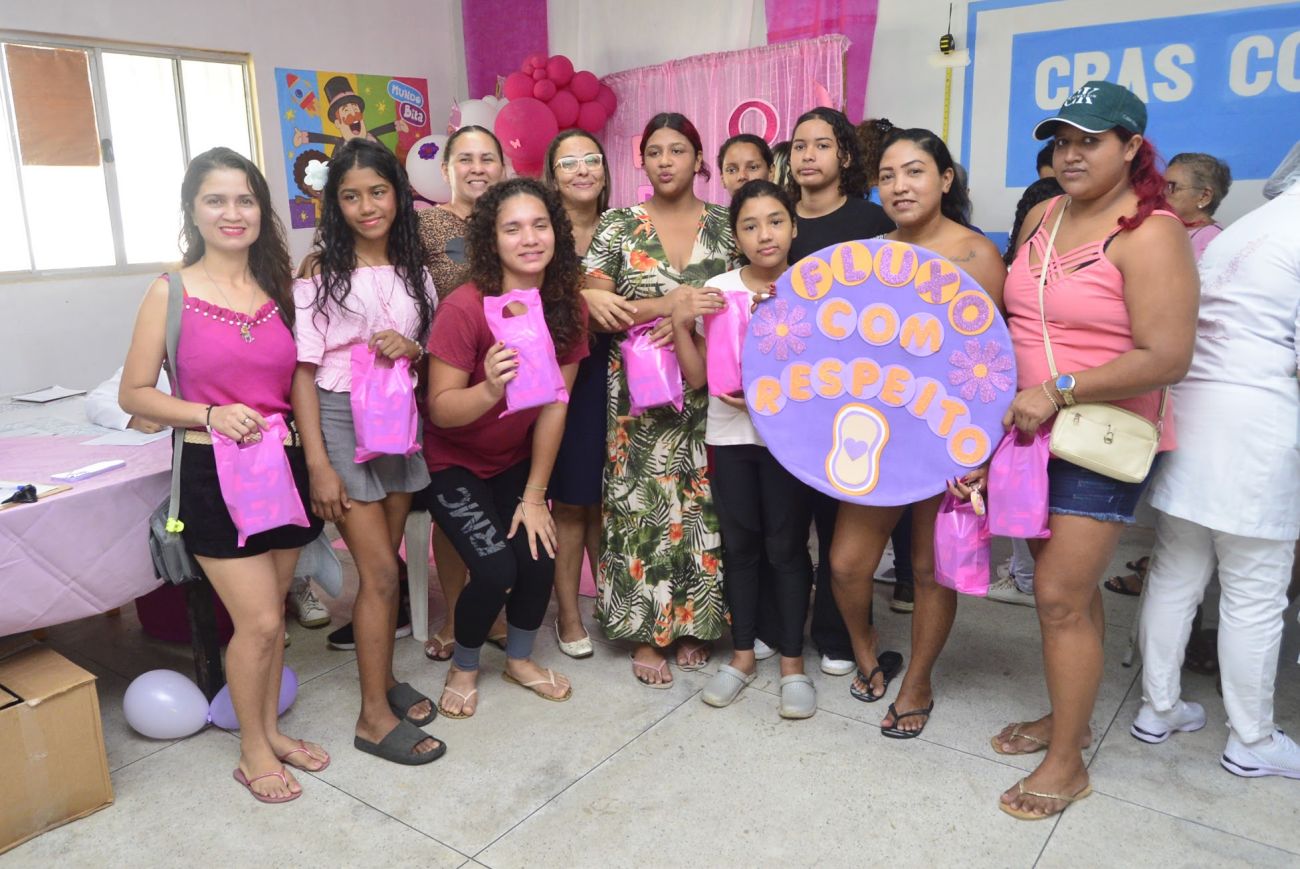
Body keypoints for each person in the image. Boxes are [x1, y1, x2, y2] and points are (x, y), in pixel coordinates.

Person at [975, 81, 1197, 820]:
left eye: (1090, 141)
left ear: (1131, 147)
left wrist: (1058, 388)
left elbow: (1168, 356)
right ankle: (1066, 718)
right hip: (1031, 433)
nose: (1071, 154)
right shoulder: (1045, 214)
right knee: (1069, 593)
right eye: (1063, 141)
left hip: (1102, 437)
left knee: (1058, 597)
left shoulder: (1152, 232)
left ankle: (1067, 763)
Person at [119, 147, 326, 802]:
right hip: (211, 472)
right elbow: (134, 394)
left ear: (261, 211)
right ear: (193, 210)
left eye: (244, 200)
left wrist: (316, 458)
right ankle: (251, 749)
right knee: (258, 620)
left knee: (275, 619)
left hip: (282, 467)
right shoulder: (170, 291)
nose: (232, 213)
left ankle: (270, 732)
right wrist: (208, 414)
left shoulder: (282, 291)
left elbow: (300, 384)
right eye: (215, 199)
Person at [829, 128, 1005, 737]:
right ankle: (867, 649)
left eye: (914, 172)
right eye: (887, 175)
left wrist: (980, 451)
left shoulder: (976, 255)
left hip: (946, 436)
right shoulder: (867, 254)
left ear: (945, 179)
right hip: (876, 435)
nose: (899, 186)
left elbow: (991, 365)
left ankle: (918, 682)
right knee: (847, 564)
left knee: (931, 569)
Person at [1133, 149, 1300, 778]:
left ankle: (1158, 708)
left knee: (1176, 571)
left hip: (1194, 413)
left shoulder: (1255, 224)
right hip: (1256, 427)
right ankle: (1252, 739)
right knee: (1254, 591)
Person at [291, 138, 443, 765]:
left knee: (393, 567)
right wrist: (318, 465)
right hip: (341, 420)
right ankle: (372, 717)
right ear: (336, 204)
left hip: (397, 421)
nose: (367, 206)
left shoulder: (416, 271)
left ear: (398, 195)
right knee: (378, 573)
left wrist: (414, 349)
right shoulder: (319, 275)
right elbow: (303, 374)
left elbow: (424, 348)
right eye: (351, 196)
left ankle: (384, 680)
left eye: (377, 192)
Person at [425, 177, 588, 718]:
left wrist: (535, 495)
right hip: (453, 462)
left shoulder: (566, 307)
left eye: (540, 225)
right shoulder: (465, 307)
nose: (529, 238)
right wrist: (491, 388)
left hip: (513, 461)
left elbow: (556, 404)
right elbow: (441, 410)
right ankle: (464, 665)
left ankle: (519, 660)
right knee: (496, 570)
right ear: (491, 240)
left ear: (556, 232)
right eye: (512, 228)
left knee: (539, 556)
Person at [584, 112, 735, 687]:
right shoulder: (617, 225)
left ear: (698, 159)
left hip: (710, 388)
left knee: (703, 504)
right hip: (638, 395)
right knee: (639, 504)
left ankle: (696, 624)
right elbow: (599, 311)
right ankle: (646, 632)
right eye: (654, 152)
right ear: (641, 161)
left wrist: (693, 317)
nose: (665, 161)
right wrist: (672, 305)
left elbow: (744, 300)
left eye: (677, 150)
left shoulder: (727, 224)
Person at [672, 179, 817, 718]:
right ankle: (741, 657)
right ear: (736, 236)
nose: (765, 234)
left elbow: (828, 375)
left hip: (789, 443)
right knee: (740, 548)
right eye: (750, 226)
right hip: (730, 436)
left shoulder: (812, 287)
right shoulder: (718, 288)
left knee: (787, 548)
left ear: (794, 226)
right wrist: (680, 322)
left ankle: (793, 666)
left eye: (776, 221)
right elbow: (696, 378)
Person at [786, 106, 895, 674]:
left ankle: (836, 635)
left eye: (822, 145)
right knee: (786, 523)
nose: (808, 155)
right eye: (799, 145)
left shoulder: (871, 222)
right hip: (789, 395)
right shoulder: (775, 219)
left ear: (845, 156)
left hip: (853, 397)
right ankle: (783, 629)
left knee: (838, 519)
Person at [416, 124, 508, 661]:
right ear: (445, 168)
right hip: (447, 378)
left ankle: (492, 606)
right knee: (453, 511)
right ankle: (456, 613)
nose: (477, 168)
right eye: (465, 159)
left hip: (511, 381)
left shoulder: (514, 218)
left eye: (487, 158)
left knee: (498, 500)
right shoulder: (425, 225)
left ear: (503, 167)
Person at [543, 130, 612, 659]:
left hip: (625, 378)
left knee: (609, 503)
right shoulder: (541, 232)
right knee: (570, 503)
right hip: (565, 378)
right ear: (553, 176)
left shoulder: (626, 226)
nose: (582, 169)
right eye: (569, 163)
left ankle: (613, 606)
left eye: (592, 159)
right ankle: (567, 615)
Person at [1165, 152, 1232, 261]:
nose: (1160, 193)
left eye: (1171, 187)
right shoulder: (1170, 230)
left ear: (1204, 197)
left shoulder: (1212, 244)